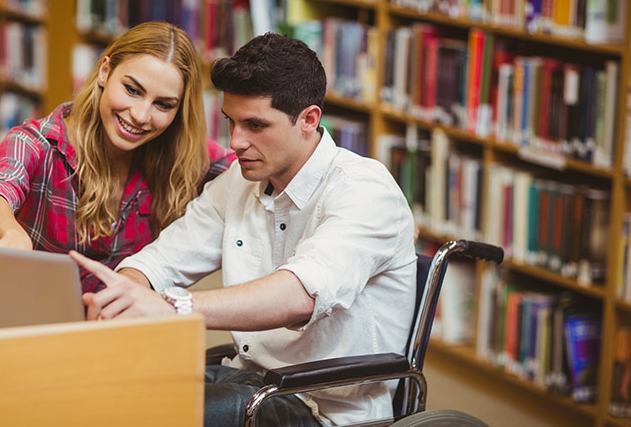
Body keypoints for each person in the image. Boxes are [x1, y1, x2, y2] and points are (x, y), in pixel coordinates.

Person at [70, 33, 417, 426]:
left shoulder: (365, 191)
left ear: (308, 120)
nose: (235, 142)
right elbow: (162, 259)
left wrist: (175, 306)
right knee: (97, 395)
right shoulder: (240, 181)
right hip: (247, 381)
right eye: (231, 122)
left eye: (255, 124)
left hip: (325, 408)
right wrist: (127, 290)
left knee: (149, 416)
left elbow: (299, 294)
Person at [0, 21, 235, 293]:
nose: (140, 116)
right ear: (105, 72)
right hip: (34, 314)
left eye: (163, 104)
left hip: (116, 324)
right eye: (132, 90)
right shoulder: (37, 143)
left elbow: (247, 167)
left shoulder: (181, 150)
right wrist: (10, 234)